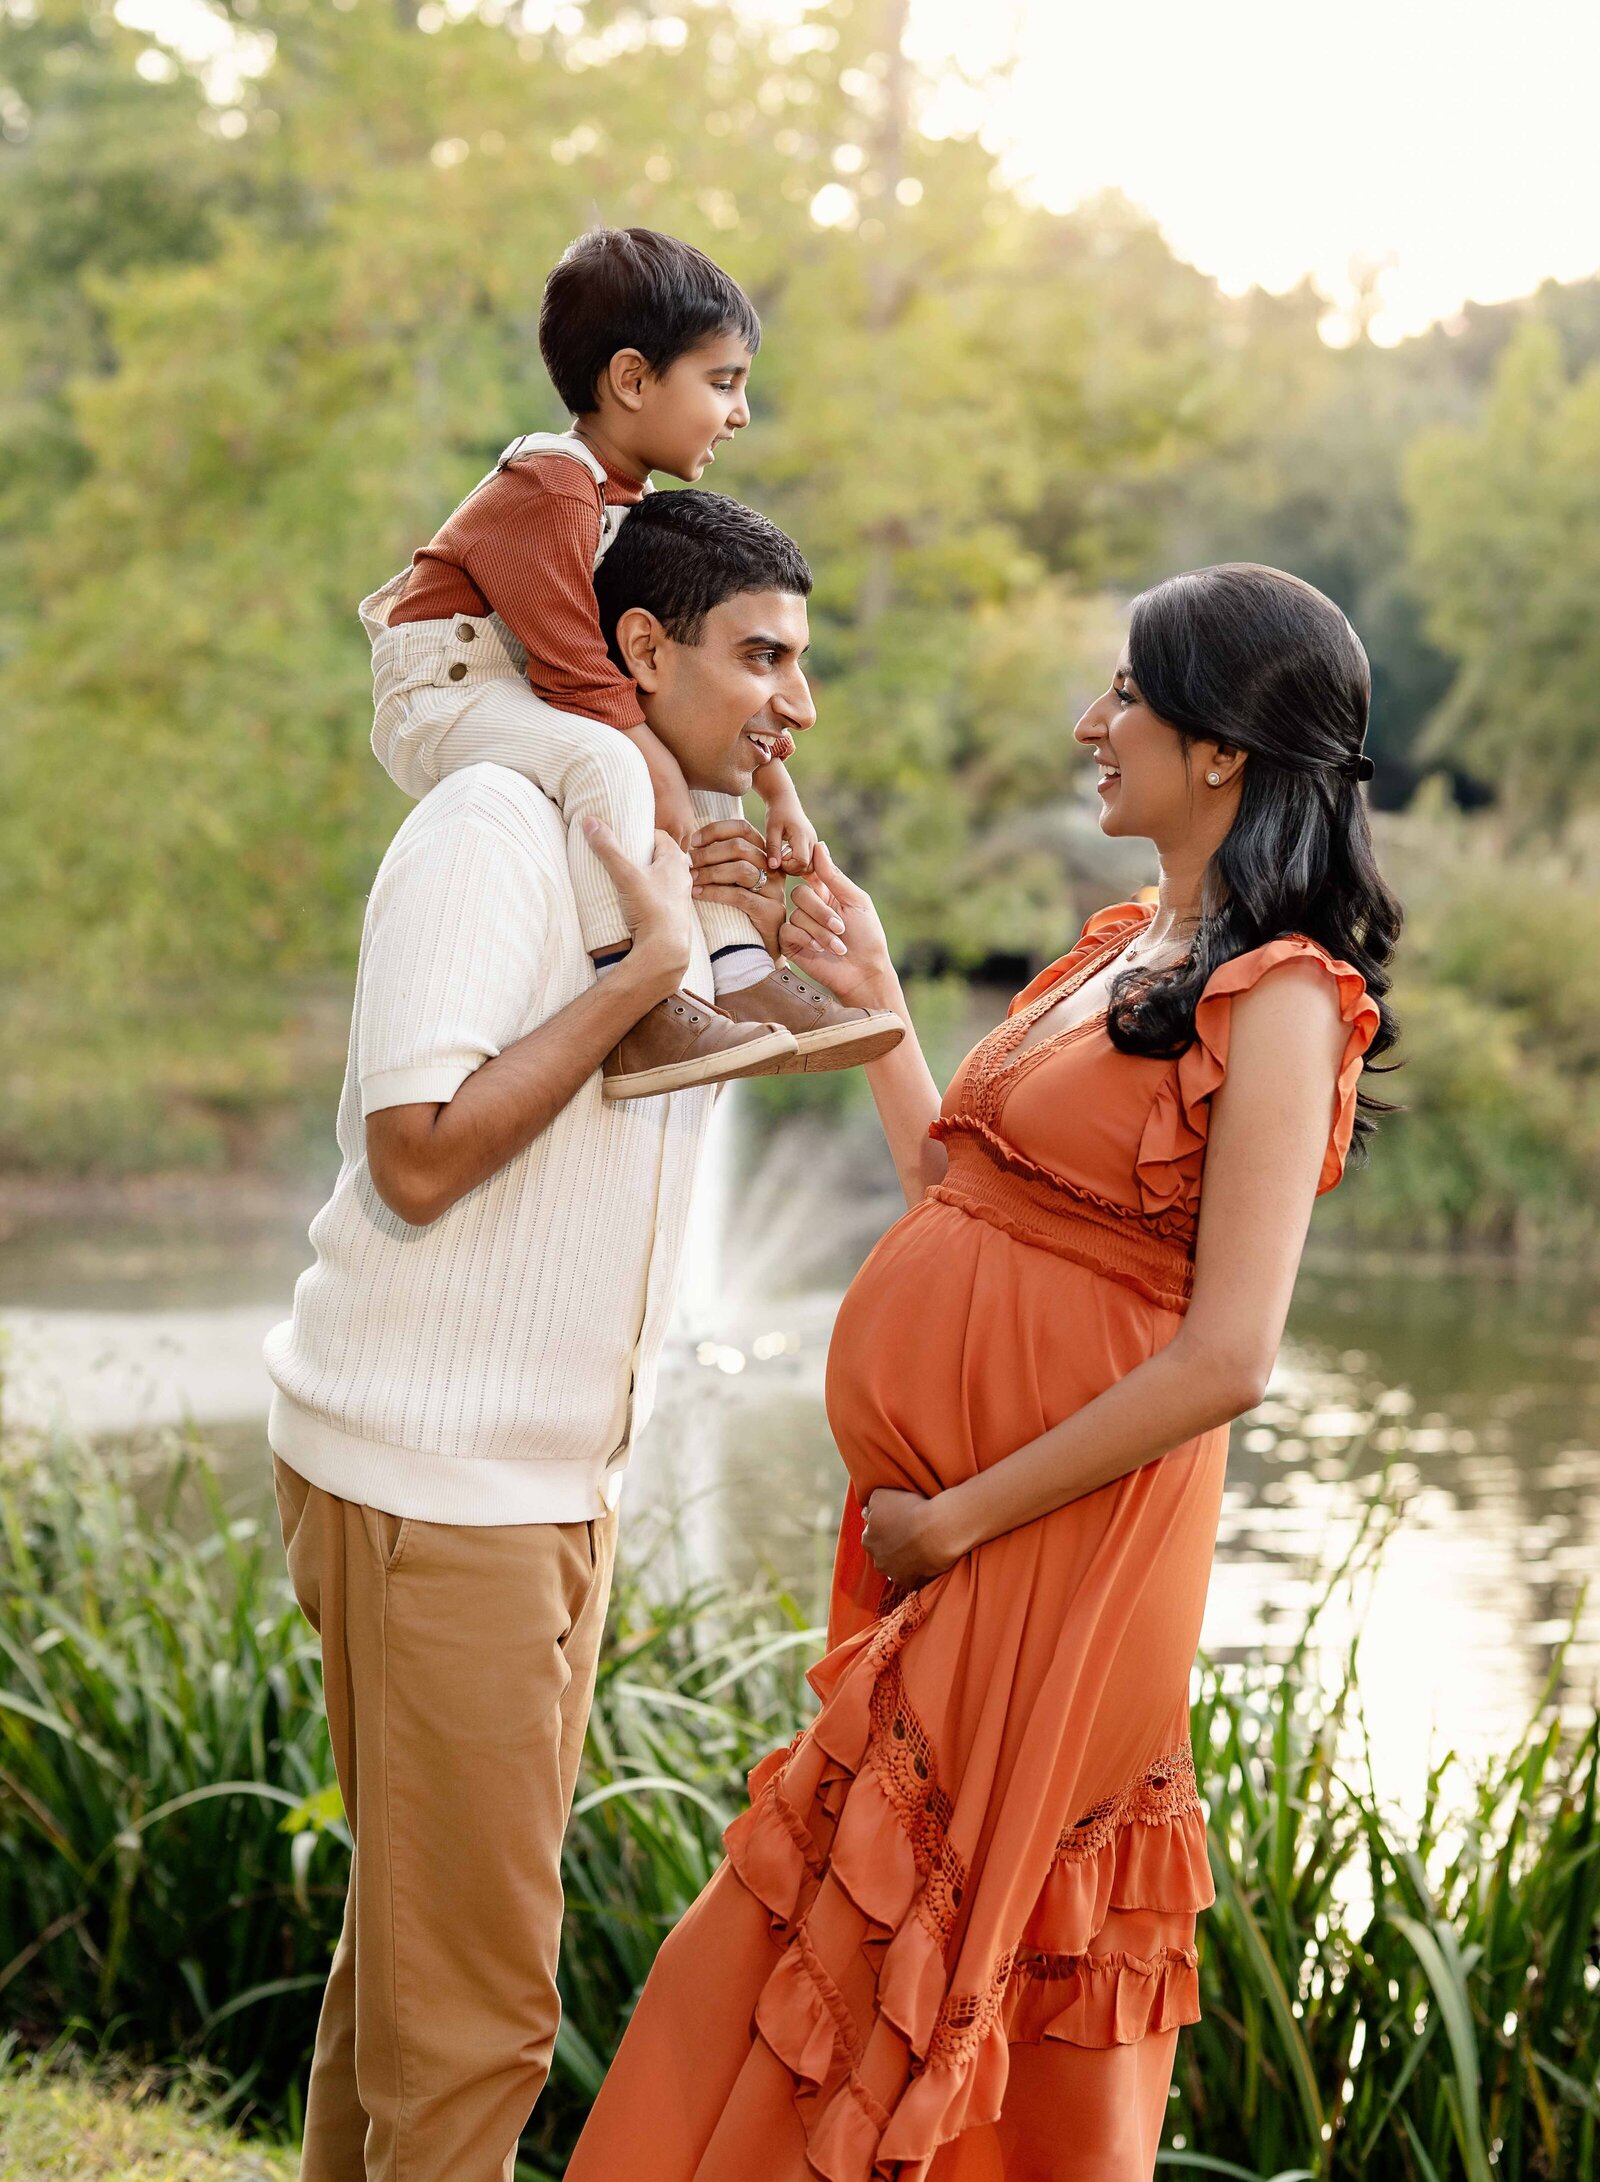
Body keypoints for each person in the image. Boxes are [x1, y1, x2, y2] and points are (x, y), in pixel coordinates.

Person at [564, 563, 1402, 2181]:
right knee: (816, 1923)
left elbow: (1231, 1353)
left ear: (1221, 749)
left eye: (1125, 701)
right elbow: (962, 1197)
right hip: (950, 1531)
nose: (1093, 727)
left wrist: (958, 1523)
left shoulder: (1284, 994)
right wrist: (869, 980)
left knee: (904, 1937)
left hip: (1058, 1547)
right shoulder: (1119, 945)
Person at [264, 491, 846, 2182]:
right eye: (764, 658)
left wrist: (747, 932)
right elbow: (419, 1152)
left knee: (408, 1980)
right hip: (439, 1483)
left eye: (804, 665)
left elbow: (645, 1079)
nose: (796, 702)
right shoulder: (492, 829)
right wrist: (649, 953)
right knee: (478, 2028)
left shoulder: (637, 842)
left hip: (537, 1484)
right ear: (643, 649)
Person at [362, 222, 901, 1097]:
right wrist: (642, 751)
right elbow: (576, 661)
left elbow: (625, 690)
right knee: (611, 752)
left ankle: (735, 969)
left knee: (686, 754)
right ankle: (640, 1004)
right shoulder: (550, 482)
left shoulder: (626, 497)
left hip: (528, 683)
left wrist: (777, 795)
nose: (741, 412)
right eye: (722, 382)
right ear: (631, 379)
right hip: (448, 691)